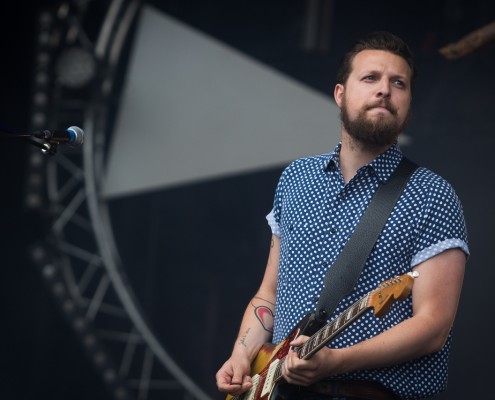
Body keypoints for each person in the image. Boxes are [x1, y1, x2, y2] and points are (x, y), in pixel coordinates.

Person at [216, 31, 469, 400]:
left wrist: (338, 360)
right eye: (370, 79)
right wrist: (241, 354)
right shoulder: (297, 179)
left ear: (409, 103)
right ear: (340, 94)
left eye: (398, 83)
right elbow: (267, 295)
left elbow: (433, 326)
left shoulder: (432, 195)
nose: (385, 90)